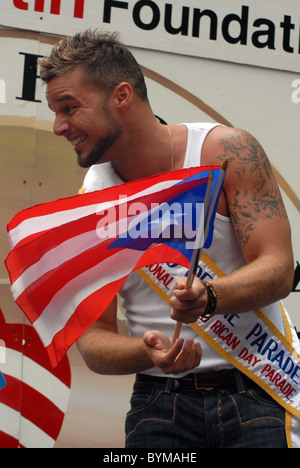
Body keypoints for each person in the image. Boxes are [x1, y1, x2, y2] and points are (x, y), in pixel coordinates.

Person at [39, 30, 298, 448]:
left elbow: (279, 269)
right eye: (55, 112)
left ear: (121, 96)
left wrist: (210, 296)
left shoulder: (225, 150)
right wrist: (148, 352)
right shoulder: (92, 202)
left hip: (259, 390)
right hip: (160, 404)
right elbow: (91, 343)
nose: (58, 127)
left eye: (69, 108)